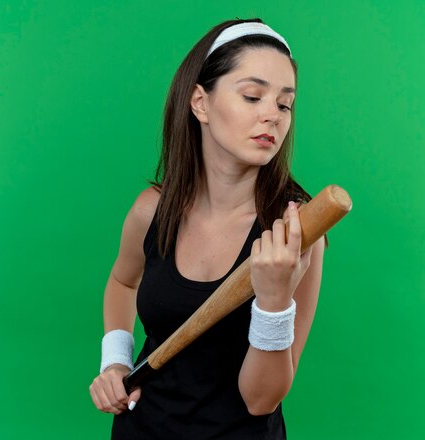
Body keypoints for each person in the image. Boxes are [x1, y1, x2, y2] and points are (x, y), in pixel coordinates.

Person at [89, 18, 326, 439]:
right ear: (200, 102)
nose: (272, 114)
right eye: (253, 96)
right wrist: (116, 361)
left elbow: (261, 399)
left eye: (285, 104)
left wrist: (274, 300)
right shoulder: (152, 210)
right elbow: (122, 283)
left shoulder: (294, 231)